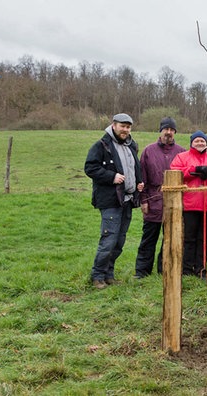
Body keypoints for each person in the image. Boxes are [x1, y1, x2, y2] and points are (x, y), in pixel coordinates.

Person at [84, 113, 144, 289]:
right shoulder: (102, 145)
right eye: (122, 126)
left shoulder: (131, 146)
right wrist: (111, 177)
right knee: (109, 239)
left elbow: (134, 167)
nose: (125, 129)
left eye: (128, 127)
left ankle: (109, 275)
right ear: (114, 125)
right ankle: (97, 276)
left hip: (127, 200)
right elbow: (90, 168)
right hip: (111, 201)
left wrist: (138, 182)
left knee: (119, 240)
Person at [170, 131, 207, 279]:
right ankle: (187, 268)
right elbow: (175, 171)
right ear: (191, 143)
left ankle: (201, 268)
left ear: (206, 143)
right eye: (197, 141)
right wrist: (194, 170)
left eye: (202, 141)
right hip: (190, 204)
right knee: (189, 237)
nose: (200, 143)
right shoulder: (182, 157)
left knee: (204, 239)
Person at [134, 117, 185, 278]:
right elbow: (142, 178)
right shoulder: (149, 151)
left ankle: (165, 268)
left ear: (175, 132)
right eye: (166, 129)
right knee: (149, 238)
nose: (168, 133)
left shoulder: (181, 152)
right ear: (161, 131)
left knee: (169, 238)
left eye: (172, 130)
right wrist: (143, 200)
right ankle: (142, 271)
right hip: (153, 200)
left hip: (175, 201)